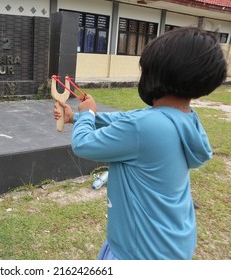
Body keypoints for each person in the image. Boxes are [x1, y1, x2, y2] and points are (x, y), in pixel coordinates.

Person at [54, 27, 227, 259]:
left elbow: (84, 145)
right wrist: (75, 117)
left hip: (137, 253)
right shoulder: (185, 117)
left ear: (159, 73)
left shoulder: (144, 126)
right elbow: (128, 120)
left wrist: (86, 116)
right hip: (171, 243)